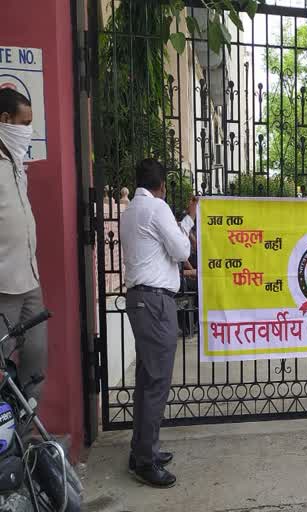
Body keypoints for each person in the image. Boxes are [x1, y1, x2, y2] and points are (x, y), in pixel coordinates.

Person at [121, 159, 197, 488]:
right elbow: (181, 250)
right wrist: (188, 221)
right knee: (156, 383)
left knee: (145, 380)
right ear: (162, 185)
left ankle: (141, 450)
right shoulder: (157, 208)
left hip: (140, 300)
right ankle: (146, 461)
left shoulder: (130, 211)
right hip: (155, 302)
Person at [0, 88, 48, 402]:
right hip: (3, 286)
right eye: (23, 122)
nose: (28, 130)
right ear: (5, 120)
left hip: (29, 280)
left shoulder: (16, 163)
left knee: (35, 360)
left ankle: (27, 435)